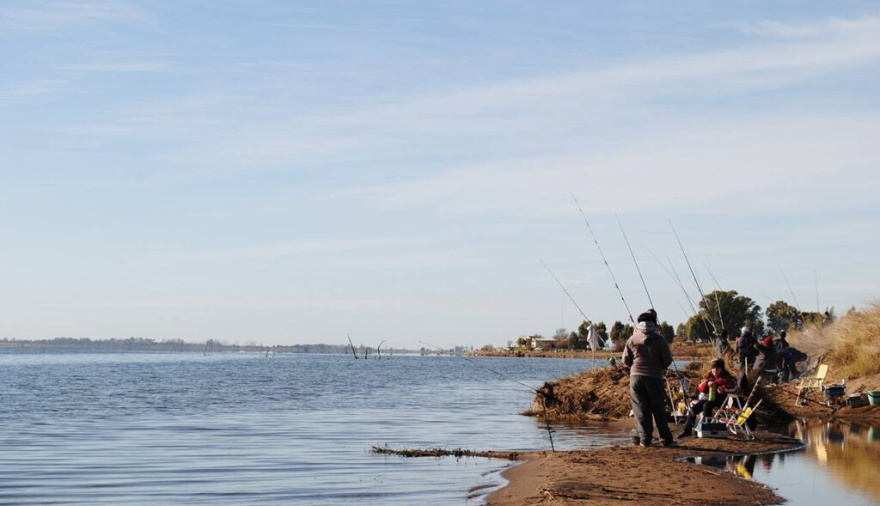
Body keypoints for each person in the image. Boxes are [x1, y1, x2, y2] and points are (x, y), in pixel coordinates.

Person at [623, 309, 677, 447]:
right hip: (654, 377)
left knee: (640, 409)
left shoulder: (632, 339)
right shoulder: (660, 339)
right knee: (658, 409)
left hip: (635, 377)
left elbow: (625, 360)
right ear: (654, 323)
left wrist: (634, 366)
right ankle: (665, 439)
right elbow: (667, 360)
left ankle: (645, 440)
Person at [678, 358, 737, 437]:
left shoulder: (727, 378)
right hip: (710, 399)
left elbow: (734, 389)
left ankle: (706, 428)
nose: (715, 371)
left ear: (721, 369)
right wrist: (707, 383)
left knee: (706, 405)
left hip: (721, 400)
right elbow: (700, 388)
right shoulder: (709, 376)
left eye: (717, 369)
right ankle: (686, 430)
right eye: (713, 368)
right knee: (693, 409)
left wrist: (722, 389)